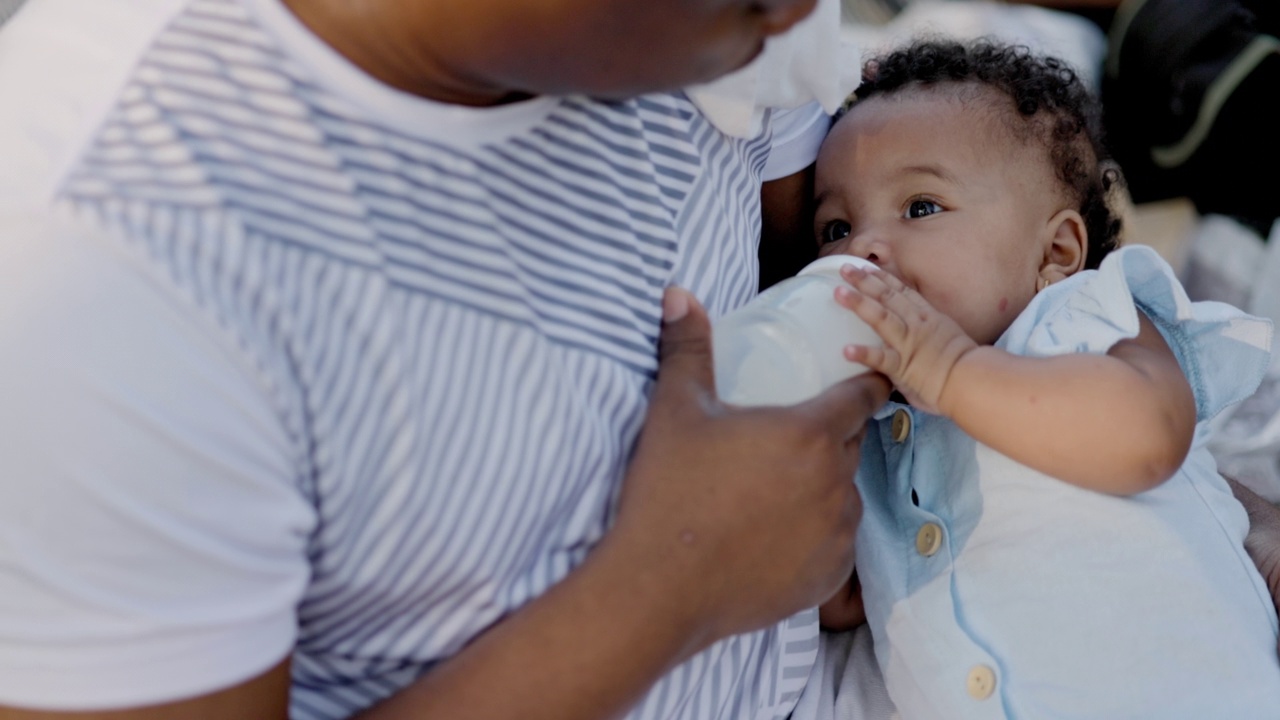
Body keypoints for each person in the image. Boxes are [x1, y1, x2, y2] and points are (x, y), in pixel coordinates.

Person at [0, 0, 892, 718]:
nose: (799, 16)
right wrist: (670, 593)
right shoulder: (107, 259)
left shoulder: (716, 33)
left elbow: (814, 259)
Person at [812, 38, 1280, 717]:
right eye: (834, 227)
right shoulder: (879, 421)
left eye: (920, 207)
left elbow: (1148, 436)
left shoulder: (1084, 321)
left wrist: (949, 370)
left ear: (1056, 253)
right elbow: (843, 600)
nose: (864, 248)